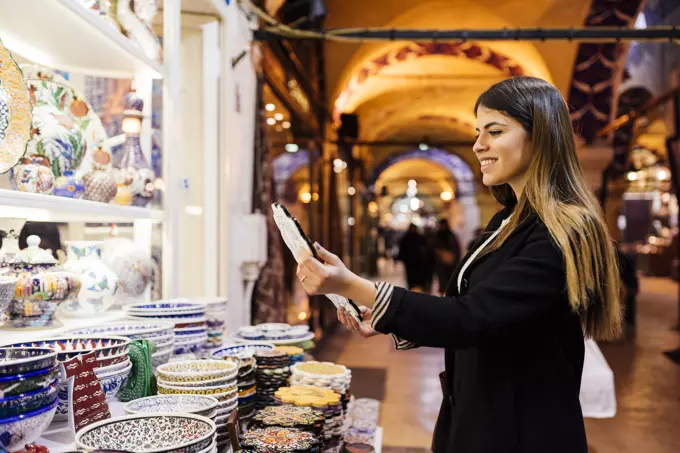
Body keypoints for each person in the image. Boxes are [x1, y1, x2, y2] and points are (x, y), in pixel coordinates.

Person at [295, 76, 622, 453]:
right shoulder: (508, 220)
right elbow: (478, 310)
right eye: (478, 131)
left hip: (522, 427)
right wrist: (382, 315)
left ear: (542, 136)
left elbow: (475, 317)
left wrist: (349, 284)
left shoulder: (562, 230)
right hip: (482, 410)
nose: (478, 145)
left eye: (495, 131)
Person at [432, 219, 461, 295]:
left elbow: (457, 250)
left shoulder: (451, 236)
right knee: (443, 282)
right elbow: (433, 249)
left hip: (451, 264)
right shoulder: (437, 236)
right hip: (440, 264)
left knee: (450, 282)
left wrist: (452, 257)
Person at [396, 224, 427, 291]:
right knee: (410, 276)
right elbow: (402, 248)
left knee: (417, 274)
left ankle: (417, 286)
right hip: (409, 261)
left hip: (418, 261)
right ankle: (412, 286)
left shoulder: (419, 237)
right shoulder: (406, 238)